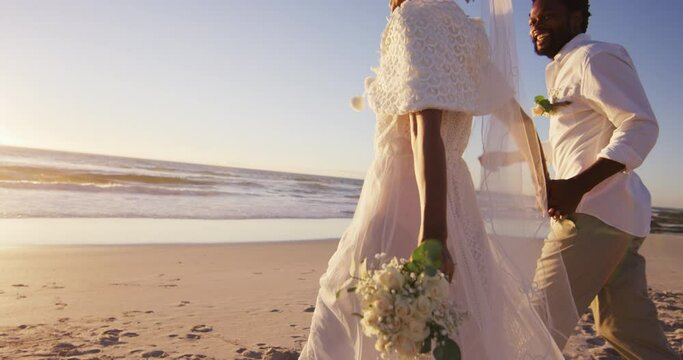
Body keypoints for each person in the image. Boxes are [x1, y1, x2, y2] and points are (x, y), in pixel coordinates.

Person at [299, 0, 575, 358]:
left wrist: (433, 235)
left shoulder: (414, 17)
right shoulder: (465, 31)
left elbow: (422, 126)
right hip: (456, 195)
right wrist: (544, 185)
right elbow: (520, 121)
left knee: (360, 321)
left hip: (405, 192)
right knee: (467, 322)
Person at [528, 0, 678, 358]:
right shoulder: (565, 67)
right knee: (625, 329)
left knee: (536, 324)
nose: (536, 26)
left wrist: (576, 187)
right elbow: (577, 142)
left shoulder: (595, 57)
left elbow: (639, 125)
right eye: (533, 20)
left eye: (547, 16)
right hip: (617, 218)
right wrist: (510, 153)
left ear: (576, 17)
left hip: (591, 217)